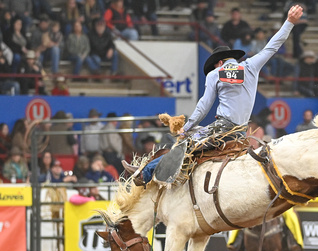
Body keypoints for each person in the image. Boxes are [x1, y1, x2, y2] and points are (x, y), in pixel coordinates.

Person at [124, 5, 305, 186]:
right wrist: (289, 22)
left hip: (223, 127)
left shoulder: (215, 74)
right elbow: (272, 47)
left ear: (219, 62)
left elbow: (204, 105)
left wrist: (186, 128)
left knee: (185, 143)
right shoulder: (250, 67)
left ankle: (145, 173)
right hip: (241, 131)